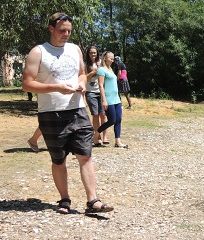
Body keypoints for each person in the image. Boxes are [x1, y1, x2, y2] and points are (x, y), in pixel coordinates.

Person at [21, 12, 113, 214]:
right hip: (51, 113)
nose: (66, 34)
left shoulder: (74, 49)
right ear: (51, 28)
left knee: (85, 155)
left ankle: (93, 201)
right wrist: (56, 88)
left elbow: (81, 74)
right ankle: (64, 199)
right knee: (59, 159)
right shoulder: (38, 52)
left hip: (78, 110)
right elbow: (27, 83)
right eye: (62, 30)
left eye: (69, 31)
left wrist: (81, 84)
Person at [97, 51, 128, 148]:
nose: (112, 60)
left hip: (116, 99)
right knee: (112, 120)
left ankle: (117, 141)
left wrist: (120, 99)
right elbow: (101, 85)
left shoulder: (111, 70)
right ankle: (96, 133)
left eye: (113, 58)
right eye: (110, 58)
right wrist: (104, 100)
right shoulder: (101, 70)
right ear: (105, 58)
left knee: (118, 119)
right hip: (109, 99)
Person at [84, 45, 108, 146]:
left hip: (101, 92)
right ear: (88, 54)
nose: (93, 54)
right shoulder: (85, 64)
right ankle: (97, 137)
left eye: (94, 52)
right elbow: (84, 78)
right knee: (95, 115)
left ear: (97, 53)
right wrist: (93, 72)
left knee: (103, 115)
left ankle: (105, 136)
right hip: (90, 92)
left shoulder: (101, 63)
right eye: (91, 53)